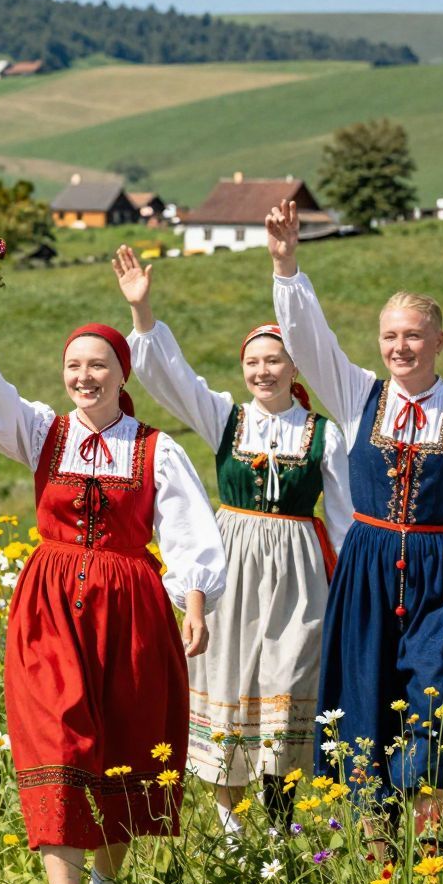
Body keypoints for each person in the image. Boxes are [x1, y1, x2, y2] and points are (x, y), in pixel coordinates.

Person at [0, 270, 224, 884]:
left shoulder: (157, 449)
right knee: (56, 736)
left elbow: (190, 533)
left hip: (131, 609)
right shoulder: (42, 432)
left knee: (121, 742)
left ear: (123, 375)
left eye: (98, 366)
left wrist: (196, 603)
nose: (84, 377)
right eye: (74, 366)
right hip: (50, 606)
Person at [265, 201, 443, 820]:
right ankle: (383, 862)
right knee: (366, 705)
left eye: (412, 335)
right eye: (390, 336)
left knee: (441, 703)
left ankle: (432, 858)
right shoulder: (359, 395)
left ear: (438, 341)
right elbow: (308, 340)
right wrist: (286, 265)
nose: (400, 346)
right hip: (368, 566)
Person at [112, 247, 352, 829]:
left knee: (289, 676)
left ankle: (279, 824)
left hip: (298, 570)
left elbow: (344, 519)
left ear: (296, 369)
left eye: (275, 360)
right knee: (226, 677)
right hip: (233, 561)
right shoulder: (227, 419)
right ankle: (230, 829)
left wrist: (352, 589)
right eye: (253, 362)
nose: (263, 371)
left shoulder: (326, 435)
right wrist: (143, 314)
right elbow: (173, 379)